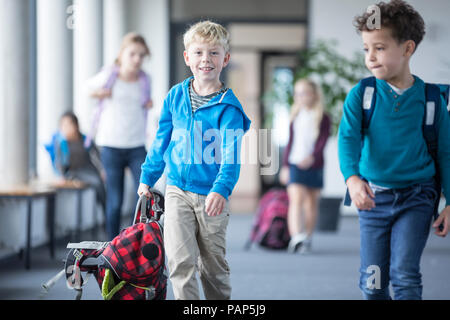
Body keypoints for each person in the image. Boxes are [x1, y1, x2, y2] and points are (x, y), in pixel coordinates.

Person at [338, 0, 450, 300]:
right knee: (373, 285)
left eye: (379, 48)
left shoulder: (431, 100)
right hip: (374, 201)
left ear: (407, 49)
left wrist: (449, 202)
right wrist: (352, 178)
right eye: (366, 49)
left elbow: (446, 154)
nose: (370, 57)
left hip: (417, 198)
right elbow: (347, 139)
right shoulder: (362, 95)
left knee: (405, 276)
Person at [137, 20, 251, 300]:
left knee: (212, 267)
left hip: (212, 195)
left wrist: (221, 189)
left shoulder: (229, 108)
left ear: (225, 58)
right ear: (187, 58)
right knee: (179, 262)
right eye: (198, 53)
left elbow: (230, 156)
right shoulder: (175, 96)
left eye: (214, 53)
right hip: (177, 190)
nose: (206, 60)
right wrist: (147, 178)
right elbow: (161, 141)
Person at [86, 32, 153, 240]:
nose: (137, 59)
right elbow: (87, 88)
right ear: (122, 54)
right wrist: (99, 93)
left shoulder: (145, 80)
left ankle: (136, 243)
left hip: (136, 145)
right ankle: (112, 246)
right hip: (111, 145)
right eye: (132, 54)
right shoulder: (109, 76)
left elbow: (146, 104)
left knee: (142, 196)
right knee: (114, 201)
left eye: (141, 55)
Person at [279, 79, 331, 254]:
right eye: (297, 93)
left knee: (311, 204)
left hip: (314, 165)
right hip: (295, 164)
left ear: (314, 94)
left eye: (304, 93)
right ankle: (296, 237)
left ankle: (307, 237)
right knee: (296, 200)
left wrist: (312, 158)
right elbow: (290, 143)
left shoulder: (323, 117)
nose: (300, 97)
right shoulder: (295, 116)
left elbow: (322, 142)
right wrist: (285, 166)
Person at [46, 111, 106, 214]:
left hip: (88, 170)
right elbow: (58, 161)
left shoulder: (85, 139)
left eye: (68, 124)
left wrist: (102, 170)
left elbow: (97, 155)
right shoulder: (61, 142)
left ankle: (105, 211)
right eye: (63, 125)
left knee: (98, 182)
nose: (65, 128)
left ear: (76, 125)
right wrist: (61, 176)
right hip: (72, 173)